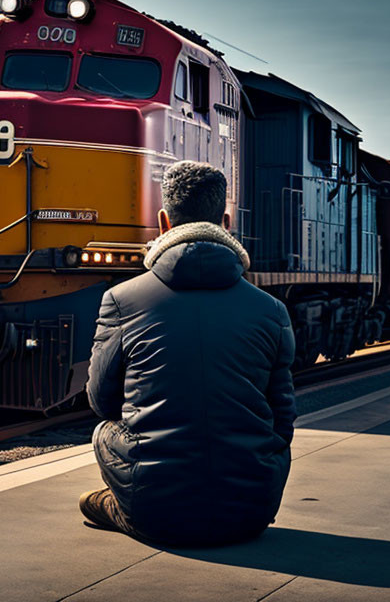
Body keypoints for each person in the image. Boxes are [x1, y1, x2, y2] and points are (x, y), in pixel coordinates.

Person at [79, 160, 296, 547]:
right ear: (225, 222)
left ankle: (122, 504)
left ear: (163, 222)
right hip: (251, 514)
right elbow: (282, 421)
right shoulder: (271, 309)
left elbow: (100, 401)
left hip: (155, 517)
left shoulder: (121, 300)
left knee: (102, 435)